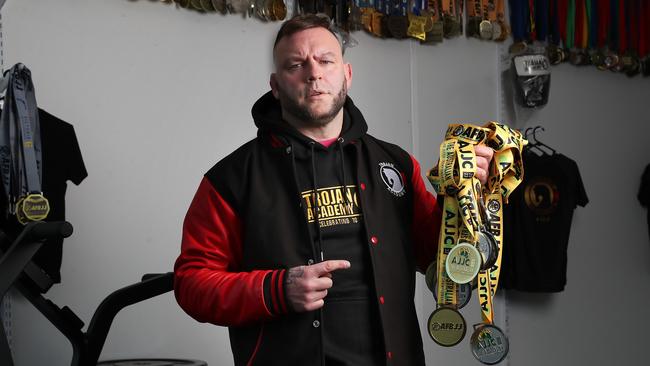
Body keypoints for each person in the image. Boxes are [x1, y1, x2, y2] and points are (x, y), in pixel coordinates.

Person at [174, 13, 493, 366]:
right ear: (276, 85)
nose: (314, 73)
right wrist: (277, 290)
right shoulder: (232, 178)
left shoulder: (396, 164)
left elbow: (436, 254)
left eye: (326, 60)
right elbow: (192, 284)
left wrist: (465, 196)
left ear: (347, 74)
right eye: (296, 64)